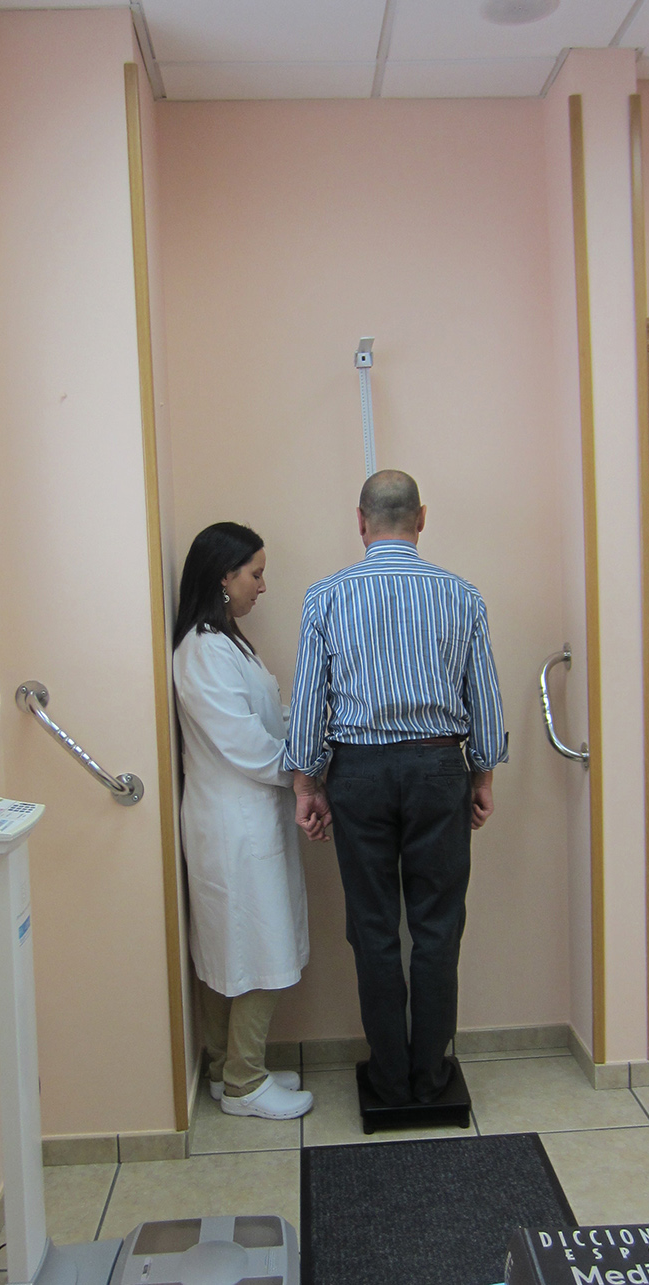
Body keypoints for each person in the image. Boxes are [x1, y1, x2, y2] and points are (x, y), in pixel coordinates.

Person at [284, 470, 507, 1107]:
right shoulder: (462, 595)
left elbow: (310, 703)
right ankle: (431, 1079)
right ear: (422, 518)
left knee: (373, 928)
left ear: (361, 521)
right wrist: (482, 774)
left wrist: (306, 784)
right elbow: (484, 697)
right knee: (438, 928)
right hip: (440, 768)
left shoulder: (325, 597)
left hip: (358, 773)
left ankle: (388, 1078)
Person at [172, 522, 313, 1120]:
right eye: (255, 573)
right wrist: (302, 770)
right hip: (234, 823)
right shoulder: (204, 650)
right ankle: (245, 1083)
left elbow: (263, 719)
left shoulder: (224, 643)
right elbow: (246, 744)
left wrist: (307, 725)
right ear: (224, 577)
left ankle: (223, 1068)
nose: (263, 585)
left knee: (231, 947)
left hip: (243, 818)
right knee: (257, 947)